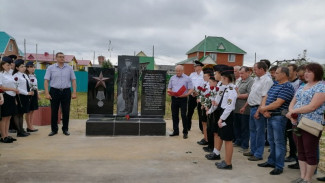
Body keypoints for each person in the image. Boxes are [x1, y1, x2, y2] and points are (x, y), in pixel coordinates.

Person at [286, 63, 325, 183]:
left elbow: (312, 107)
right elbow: (293, 101)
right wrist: (291, 112)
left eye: (309, 71)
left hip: (310, 123)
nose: (306, 74)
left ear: (317, 73)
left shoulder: (321, 87)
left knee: (310, 151)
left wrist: (293, 111)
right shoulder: (302, 86)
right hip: (296, 122)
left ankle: (308, 178)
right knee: (301, 150)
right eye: (305, 71)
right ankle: (302, 176)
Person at [257, 67, 295, 175]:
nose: (274, 75)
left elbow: (278, 103)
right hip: (270, 115)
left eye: (277, 73)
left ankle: (279, 165)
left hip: (279, 117)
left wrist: (263, 109)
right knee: (271, 140)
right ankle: (271, 161)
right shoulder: (275, 84)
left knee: (279, 142)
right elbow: (266, 97)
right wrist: (264, 109)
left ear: (284, 74)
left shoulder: (287, 86)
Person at [244, 61, 273, 161]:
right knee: (252, 131)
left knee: (259, 132)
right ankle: (253, 150)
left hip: (258, 109)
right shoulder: (256, 79)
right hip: (252, 107)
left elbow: (265, 97)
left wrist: (258, 111)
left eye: (255, 69)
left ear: (261, 69)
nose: (254, 71)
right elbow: (252, 94)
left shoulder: (267, 81)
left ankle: (258, 153)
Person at [44, 52, 77, 136]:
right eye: (60, 57)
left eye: (63, 57)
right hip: (54, 91)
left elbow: (73, 80)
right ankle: (54, 130)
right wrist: (47, 93)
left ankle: (65, 129)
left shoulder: (69, 68)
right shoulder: (50, 68)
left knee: (66, 111)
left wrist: (74, 92)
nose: (62, 58)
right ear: (56, 58)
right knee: (54, 111)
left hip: (66, 91)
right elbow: (46, 81)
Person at [214, 66, 238, 170]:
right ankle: (226, 160)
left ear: (226, 78)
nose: (221, 80)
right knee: (224, 138)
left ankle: (228, 163)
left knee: (228, 140)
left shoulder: (232, 90)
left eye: (222, 78)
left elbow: (229, 107)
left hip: (227, 115)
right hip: (224, 114)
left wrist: (221, 118)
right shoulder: (226, 88)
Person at [168, 65, 193, 139]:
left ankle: (185, 132)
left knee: (183, 115)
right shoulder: (172, 78)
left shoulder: (187, 78)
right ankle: (176, 131)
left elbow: (191, 89)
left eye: (179, 71)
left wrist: (187, 94)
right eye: (177, 71)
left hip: (183, 99)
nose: (178, 72)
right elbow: (169, 87)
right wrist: (169, 92)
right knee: (174, 115)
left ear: (183, 71)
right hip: (174, 98)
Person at [233, 66, 254, 153]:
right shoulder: (240, 81)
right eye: (240, 73)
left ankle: (245, 145)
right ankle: (238, 141)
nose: (240, 75)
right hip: (236, 107)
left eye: (242, 73)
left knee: (245, 127)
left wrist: (238, 95)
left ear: (248, 72)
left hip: (245, 108)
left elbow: (250, 94)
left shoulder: (251, 81)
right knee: (237, 126)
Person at [12, 59, 34, 137]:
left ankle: (21, 129)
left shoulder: (24, 75)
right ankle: (19, 131)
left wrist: (30, 91)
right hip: (19, 96)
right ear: (17, 68)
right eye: (21, 66)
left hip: (25, 96)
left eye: (24, 66)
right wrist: (27, 93)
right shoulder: (15, 76)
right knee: (18, 114)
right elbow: (16, 88)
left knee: (21, 113)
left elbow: (28, 84)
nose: (24, 68)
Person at [0, 57, 19, 143]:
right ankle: (3, 136)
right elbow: (1, 87)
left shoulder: (9, 73)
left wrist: (14, 94)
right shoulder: (1, 74)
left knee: (9, 117)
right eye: (7, 65)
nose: (9, 67)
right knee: (4, 117)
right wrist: (12, 89)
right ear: (2, 65)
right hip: (5, 96)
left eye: (10, 65)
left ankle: (7, 134)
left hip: (12, 96)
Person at [285, 64, 300, 163]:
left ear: (295, 72)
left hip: (295, 113)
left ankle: (294, 155)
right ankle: (291, 154)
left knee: (293, 134)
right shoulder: (288, 82)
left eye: (289, 70)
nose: (288, 72)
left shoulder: (298, 83)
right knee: (288, 133)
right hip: (287, 112)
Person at [197, 67, 213, 145]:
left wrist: (204, 103)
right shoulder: (205, 83)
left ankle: (207, 139)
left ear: (209, 76)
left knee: (207, 123)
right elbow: (202, 94)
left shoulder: (210, 85)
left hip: (208, 105)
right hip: (204, 104)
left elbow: (210, 96)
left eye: (205, 76)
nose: (204, 77)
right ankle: (205, 137)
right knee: (203, 122)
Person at [187, 60, 204, 131]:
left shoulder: (204, 75)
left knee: (200, 113)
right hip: (192, 95)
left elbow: (205, 85)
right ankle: (187, 127)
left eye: (196, 66)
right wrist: (192, 91)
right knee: (190, 112)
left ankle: (202, 128)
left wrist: (198, 93)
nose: (194, 67)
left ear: (200, 67)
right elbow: (189, 84)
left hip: (200, 96)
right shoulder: (192, 74)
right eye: (194, 66)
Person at [25, 61, 39, 132]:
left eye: (33, 67)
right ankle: (28, 126)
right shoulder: (25, 76)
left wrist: (38, 94)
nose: (33, 68)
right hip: (29, 94)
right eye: (30, 67)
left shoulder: (34, 75)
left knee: (33, 110)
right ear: (27, 68)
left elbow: (36, 86)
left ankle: (31, 125)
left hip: (34, 93)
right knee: (28, 111)